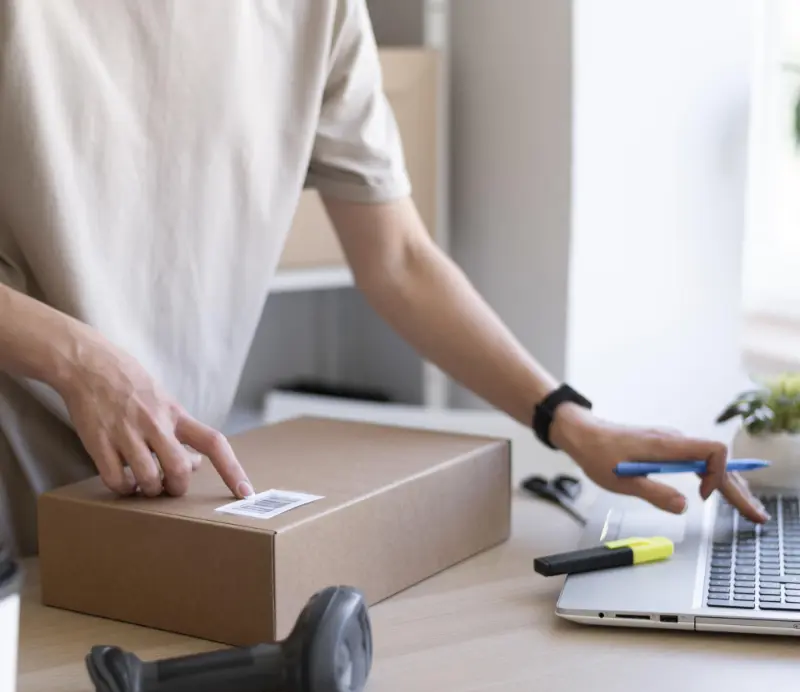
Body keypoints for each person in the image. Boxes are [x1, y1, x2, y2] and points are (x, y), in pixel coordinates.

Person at [0, 0, 766, 557]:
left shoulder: (319, 14)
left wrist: (569, 422)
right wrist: (77, 359)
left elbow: (398, 259)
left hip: (154, 510)